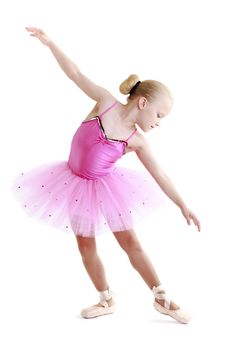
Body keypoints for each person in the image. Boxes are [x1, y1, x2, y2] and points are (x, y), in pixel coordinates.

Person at [11, 27, 201, 324]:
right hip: (72, 184)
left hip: (109, 190)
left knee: (130, 244)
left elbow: (160, 174)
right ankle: (106, 298)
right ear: (143, 103)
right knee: (86, 247)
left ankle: (162, 298)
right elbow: (75, 73)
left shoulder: (136, 141)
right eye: (159, 115)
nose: (159, 122)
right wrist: (50, 43)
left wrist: (182, 204)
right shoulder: (104, 103)